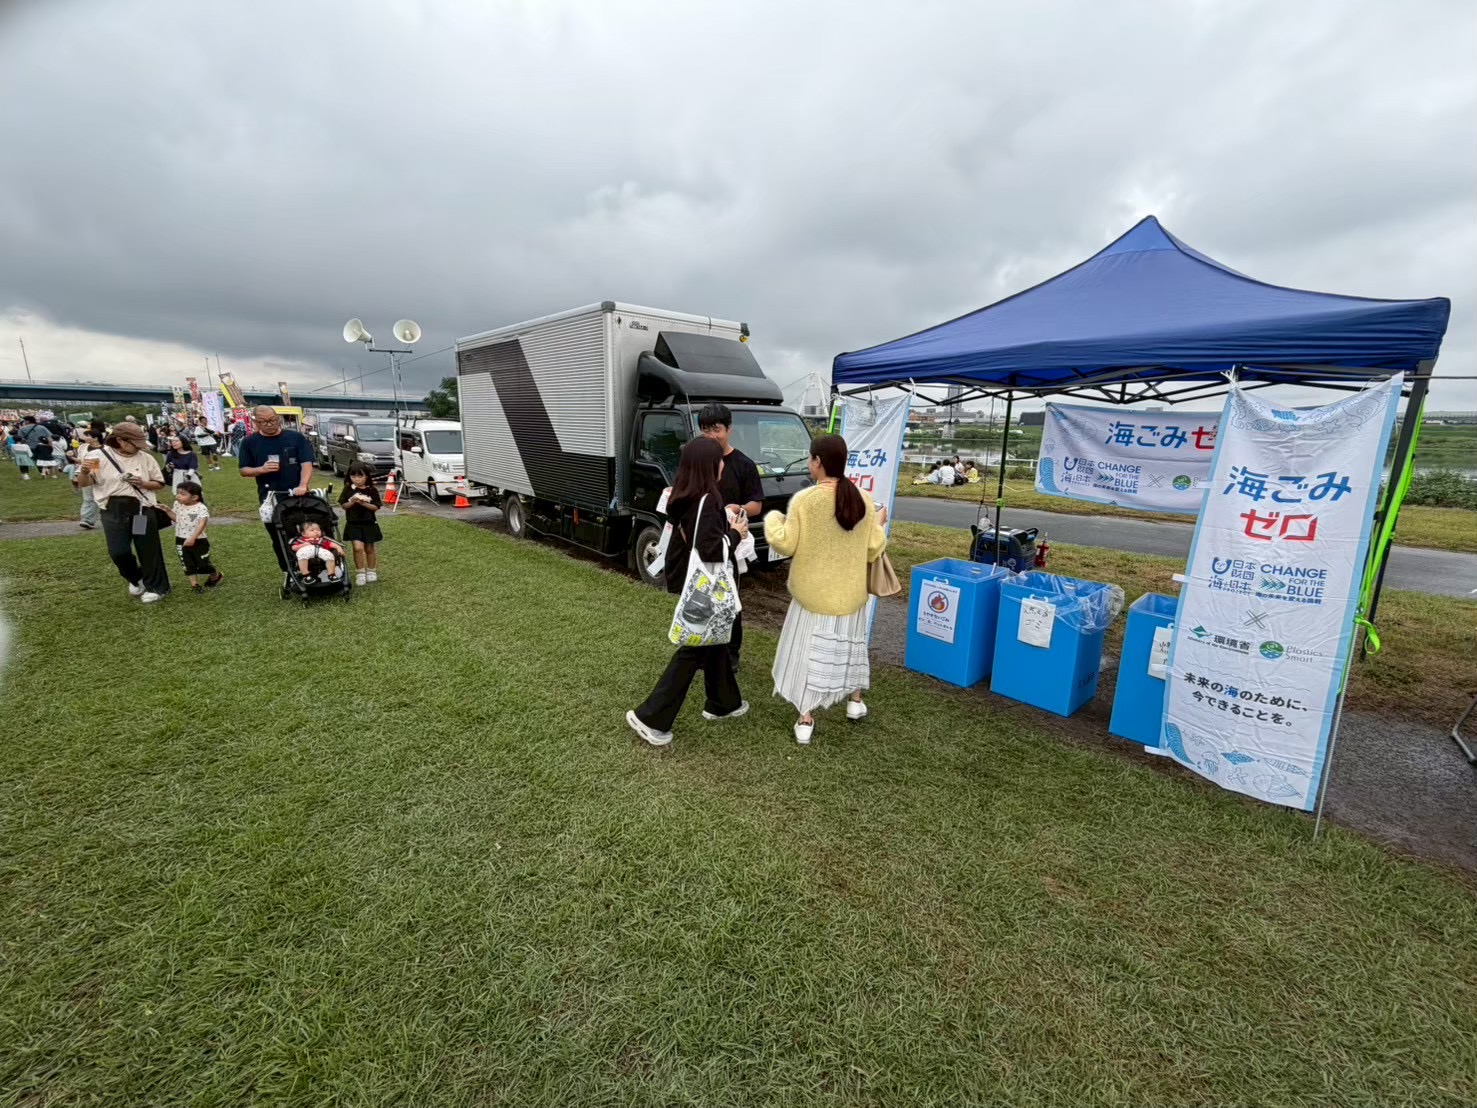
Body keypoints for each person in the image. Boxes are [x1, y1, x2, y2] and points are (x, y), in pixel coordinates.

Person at [763, 434, 888, 745]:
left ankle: (806, 719)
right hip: (851, 595)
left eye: (810, 458)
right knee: (851, 649)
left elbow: (785, 543)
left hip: (813, 596)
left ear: (817, 461)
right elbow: (873, 549)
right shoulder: (863, 499)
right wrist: (878, 526)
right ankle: (855, 702)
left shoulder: (805, 500)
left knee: (808, 654)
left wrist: (773, 519)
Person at [627, 436, 749, 747]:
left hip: (687, 578)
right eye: (718, 460)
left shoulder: (685, 494)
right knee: (695, 646)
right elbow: (711, 550)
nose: (722, 464)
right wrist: (735, 533)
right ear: (708, 465)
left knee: (715, 638)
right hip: (703, 583)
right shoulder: (708, 499)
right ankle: (650, 717)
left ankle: (724, 703)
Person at [697, 402, 764, 672]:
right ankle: (702, 648)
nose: (711, 435)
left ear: (729, 429)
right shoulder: (698, 462)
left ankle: (730, 654)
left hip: (732, 544)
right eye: (705, 430)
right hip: (703, 544)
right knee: (702, 597)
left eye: (717, 429)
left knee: (730, 601)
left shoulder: (744, 464)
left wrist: (738, 508)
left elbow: (757, 505)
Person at [75, 420, 171, 603]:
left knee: (147, 549)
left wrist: (142, 483)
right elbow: (84, 483)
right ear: (120, 440)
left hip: (141, 509)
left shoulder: (145, 458)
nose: (138, 447)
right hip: (112, 510)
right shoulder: (96, 456)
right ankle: (135, 577)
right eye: (135, 443)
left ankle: (157, 587)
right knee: (118, 551)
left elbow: (159, 483)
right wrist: (84, 472)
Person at [237, 405, 315, 571]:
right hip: (269, 496)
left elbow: (306, 463)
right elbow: (244, 470)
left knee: (304, 531)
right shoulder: (249, 442)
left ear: (278, 418)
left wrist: (303, 484)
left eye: (273, 420)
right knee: (278, 535)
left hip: (297, 494)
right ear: (256, 422)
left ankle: (310, 566)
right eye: (264, 421)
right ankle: (288, 569)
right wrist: (261, 469)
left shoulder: (295, 438)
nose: (270, 424)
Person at [168, 481, 224, 591]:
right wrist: (167, 510)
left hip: (199, 540)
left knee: (203, 563)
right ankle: (195, 585)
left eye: (183, 494)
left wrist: (192, 538)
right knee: (187, 563)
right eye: (178, 493)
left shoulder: (201, 507)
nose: (178, 496)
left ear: (194, 497)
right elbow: (177, 519)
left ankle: (215, 576)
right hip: (180, 538)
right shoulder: (177, 504)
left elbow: (202, 524)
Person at [338, 462, 383, 585]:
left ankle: (371, 571)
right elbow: (344, 505)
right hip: (353, 523)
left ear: (366, 476)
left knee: (369, 548)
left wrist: (363, 503)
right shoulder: (348, 489)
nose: (357, 479)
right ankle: (360, 572)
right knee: (357, 548)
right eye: (353, 476)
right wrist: (352, 501)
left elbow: (376, 507)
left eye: (360, 476)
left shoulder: (372, 490)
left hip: (369, 523)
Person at [73, 421, 106, 529]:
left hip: (102, 476)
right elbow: (81, 460)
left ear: (95, 438)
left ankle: (108, 517)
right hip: (86, 474)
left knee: (103, 497)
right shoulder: (83, 447)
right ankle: (87, 519)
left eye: (87, 436)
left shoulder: (106, 449)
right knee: (88, 497)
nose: (85, 437)